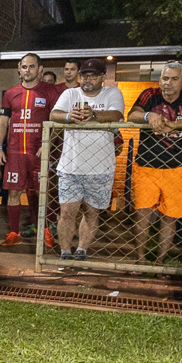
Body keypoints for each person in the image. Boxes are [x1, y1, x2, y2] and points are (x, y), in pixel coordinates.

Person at [126, 62, 182, 269]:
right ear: (159, 80)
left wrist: (175, 125)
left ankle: (160, 261)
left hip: (179, 166)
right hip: (147, 165)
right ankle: (140, 259)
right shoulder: (150, 94)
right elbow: (132, 115)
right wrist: (149, 115)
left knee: (170, 217)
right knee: (142, 214)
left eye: (174, 79)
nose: (168, 83)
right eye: (165, 78)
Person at [49, 58, 125, 263]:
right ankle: (65, 253)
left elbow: (116, 114)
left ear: (102, 77)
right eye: (84, 76)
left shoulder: (112, 93)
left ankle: (82, 250)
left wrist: (94, 115)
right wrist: (68, 116)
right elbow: (54, 114)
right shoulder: (70, 94)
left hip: (101, 167)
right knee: (67, 212)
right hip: (70, 165)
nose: (87, 80)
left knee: (92, 213)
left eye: (92, 76)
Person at [0, 53, 61, 247]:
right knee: (14, 193)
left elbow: (56, 122)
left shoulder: (50, 91)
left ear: (40, 69)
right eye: (24, 67)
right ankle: (14, 233)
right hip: (15, 154)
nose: (28, 70)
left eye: (32, 67)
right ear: (19, 69)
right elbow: (3, 122)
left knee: (42, 193)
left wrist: (48, 144)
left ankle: (46, 231)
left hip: (39, 153)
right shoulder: (11, 93)